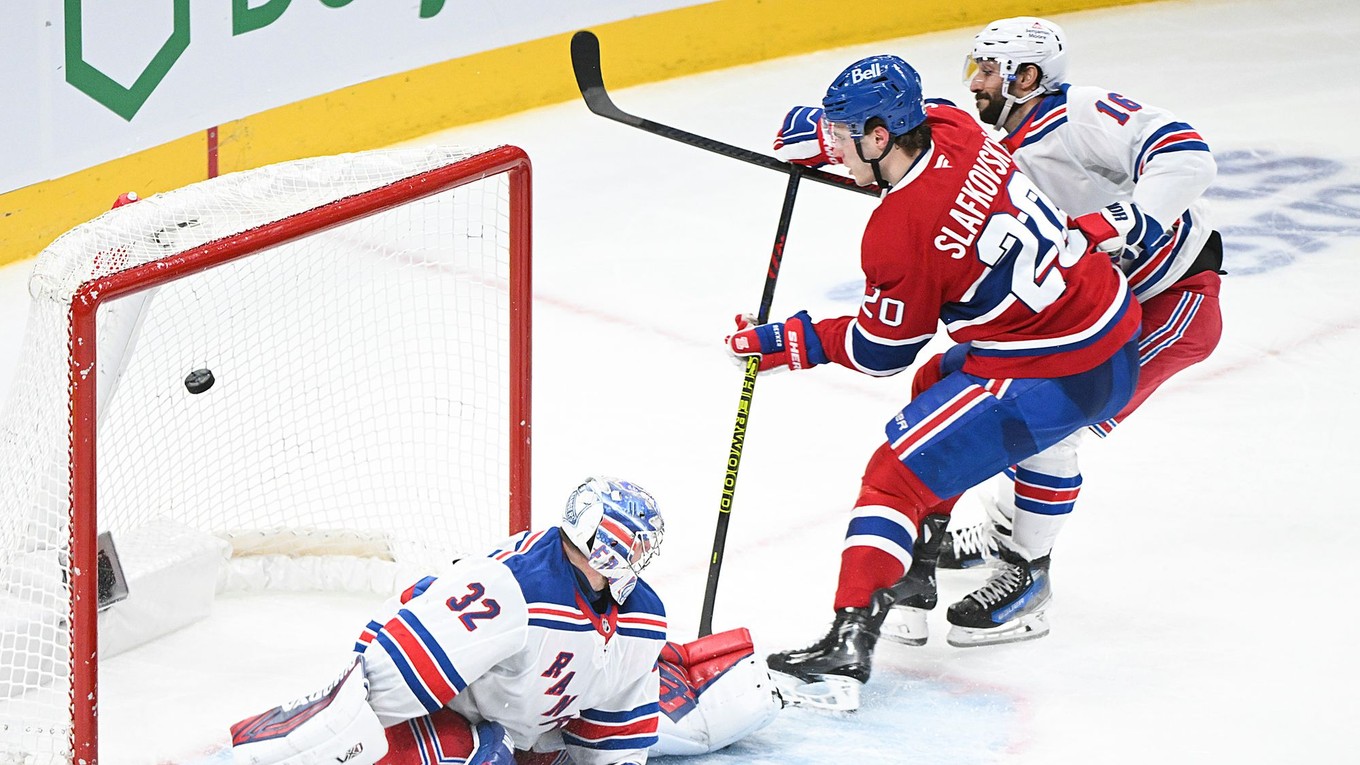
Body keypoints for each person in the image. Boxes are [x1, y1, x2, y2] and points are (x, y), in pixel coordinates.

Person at [771, 17, 1223, 647]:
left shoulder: (1081, 117)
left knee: (1053, 428)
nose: (974, 81)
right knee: (949, 382)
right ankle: (974, 534)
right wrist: (833, 139)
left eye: (988, 70)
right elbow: (921, 146)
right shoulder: (976, 135)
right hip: (1074, 302)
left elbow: (1188, 156)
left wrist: (1126, 216)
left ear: (1029, 77)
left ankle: (1028, 573)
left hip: (1168, 297)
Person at [731, 54, 1141, 710]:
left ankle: (846, 647)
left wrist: (793, 340)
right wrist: (827, 139)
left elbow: (879, 347)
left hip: (1056, 367)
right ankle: (916, 576)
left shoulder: (899, 232)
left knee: (893, 474)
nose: (834, 145)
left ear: (879, 136)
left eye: (843, 135)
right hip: (1106, 325)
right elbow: (915, 161)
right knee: (935, 385)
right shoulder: (953, 125)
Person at [229, 477, 781, 765]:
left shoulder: (641, 617)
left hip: (525, 732)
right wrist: (324, 738)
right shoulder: (510, 589)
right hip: (450, 724)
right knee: (477, 754)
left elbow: (614, 728)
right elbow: (383, 676)